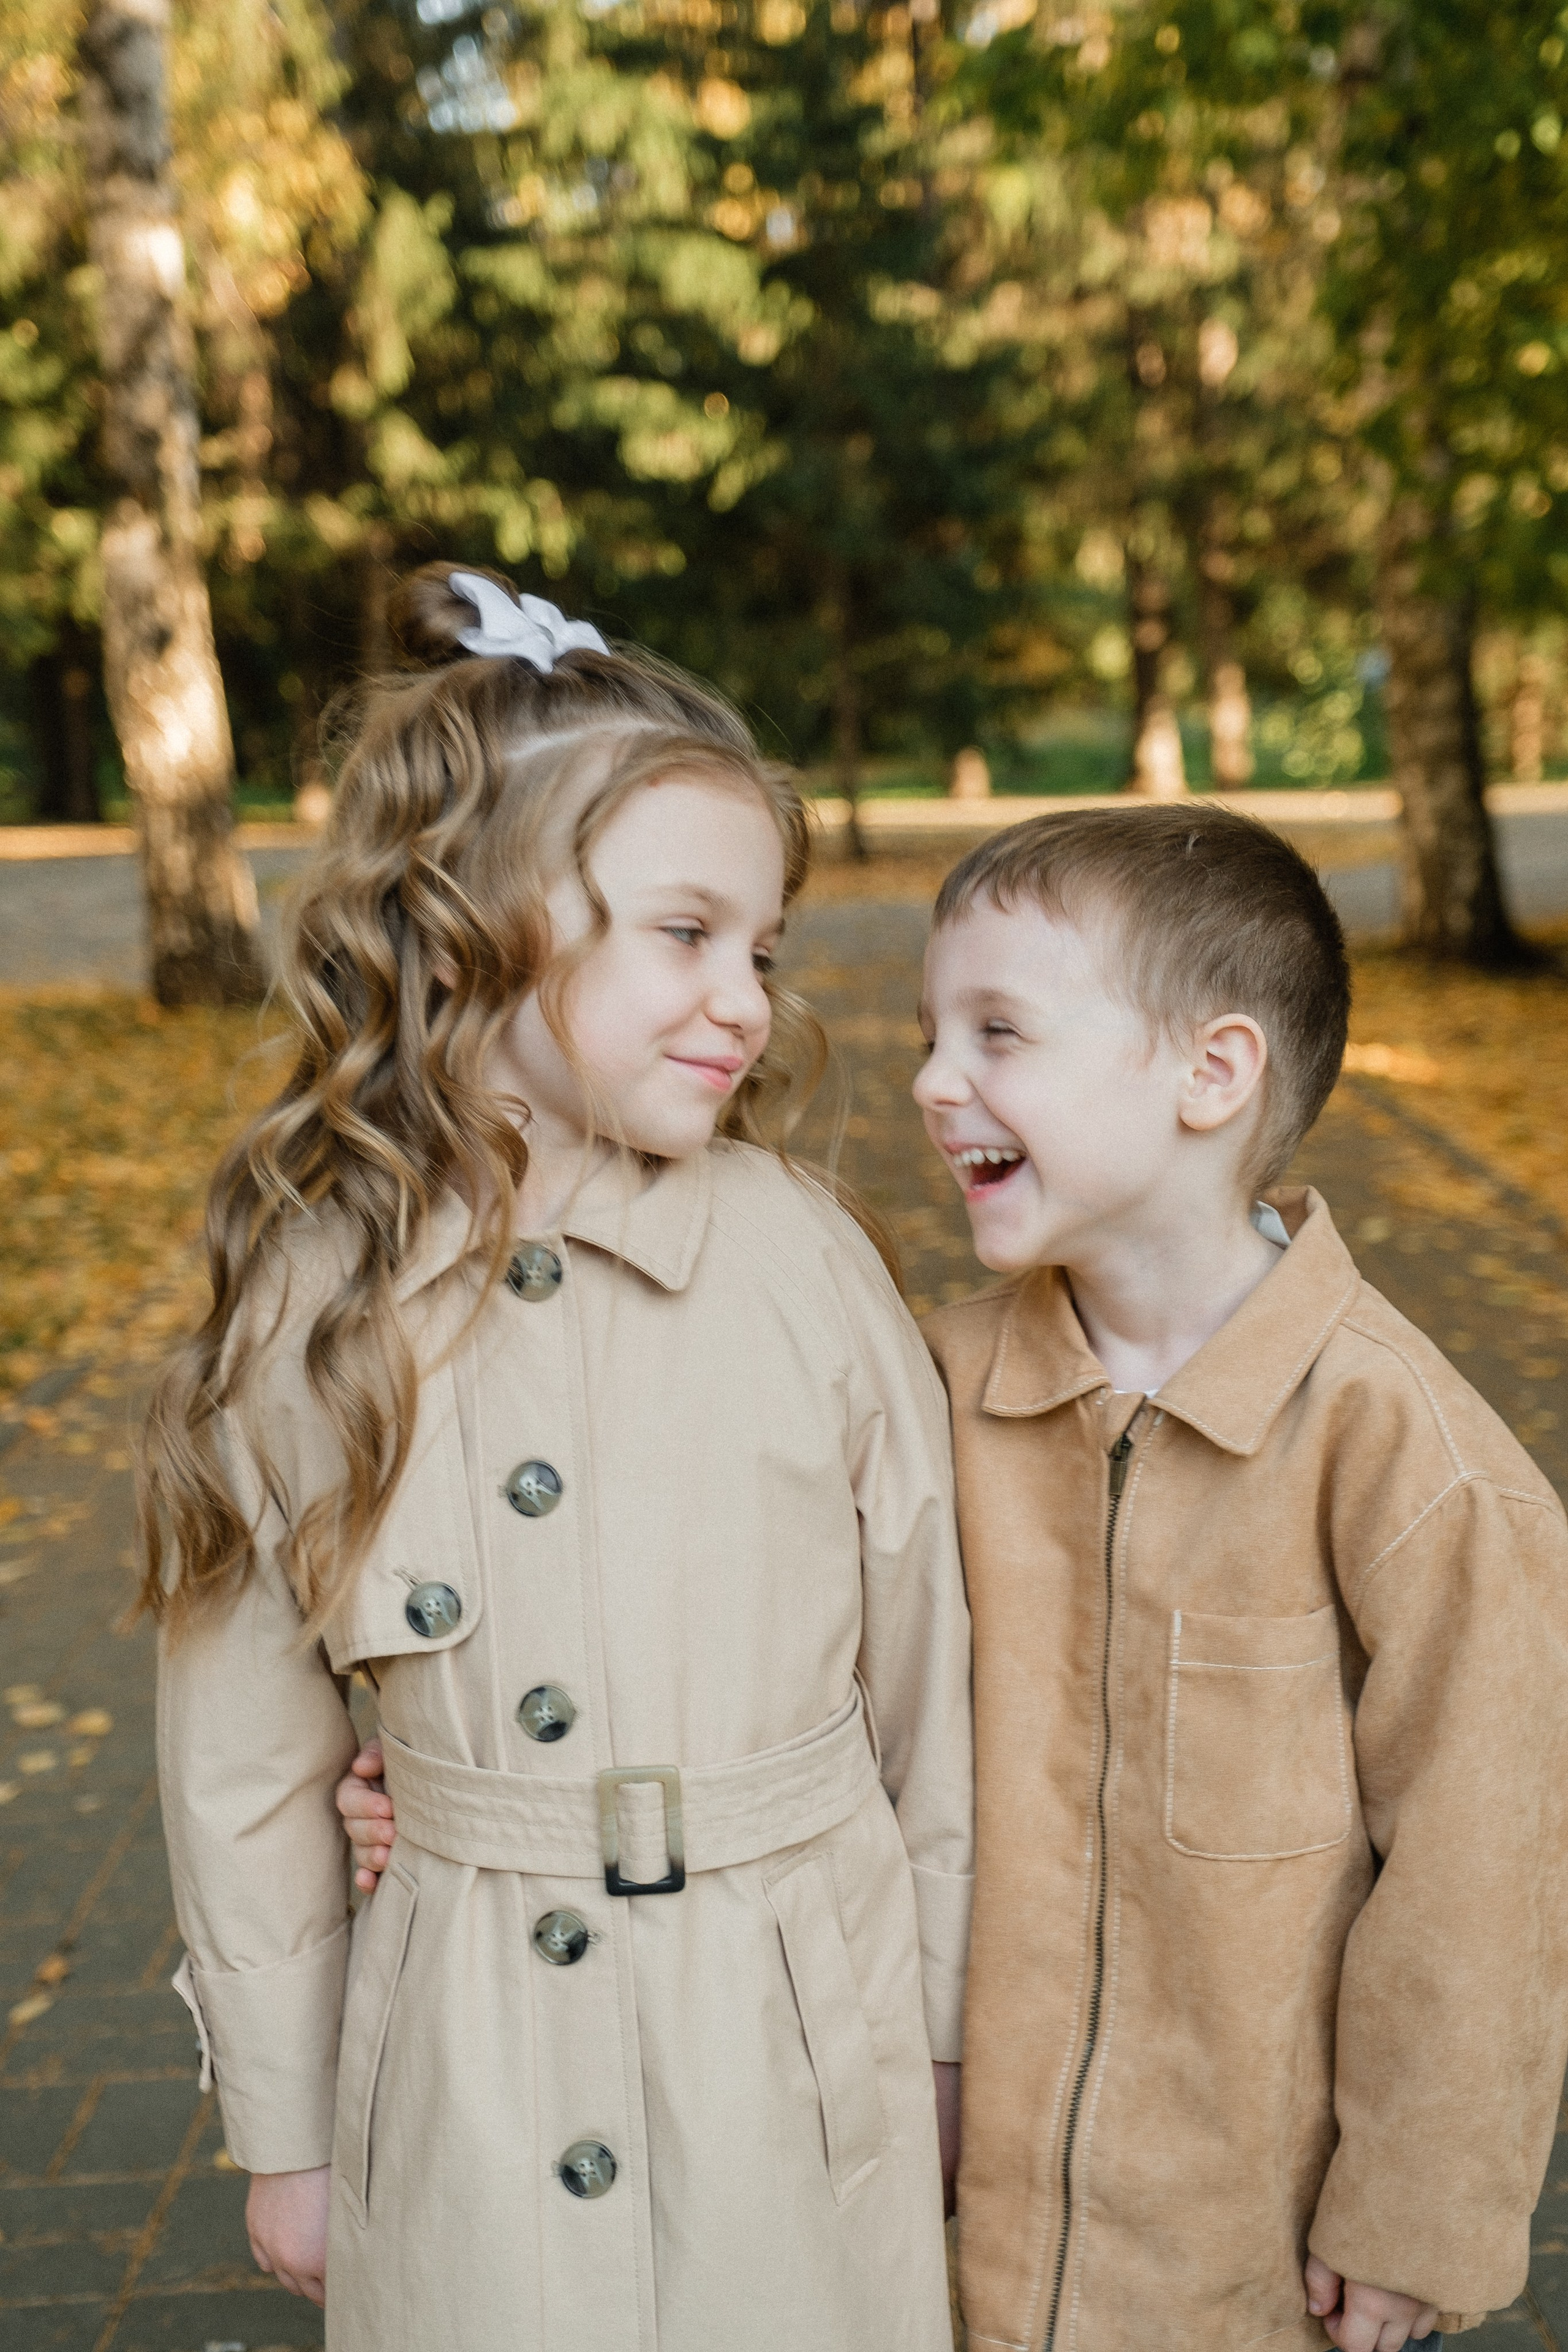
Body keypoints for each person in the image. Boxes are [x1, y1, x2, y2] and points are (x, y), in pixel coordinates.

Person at [143, 562, 973, 2351]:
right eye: (684, 933)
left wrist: (943, 2039)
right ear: (474, 922)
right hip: (462, 2072)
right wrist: (288, 2128)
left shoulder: (805, 1264)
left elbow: (934, 1691)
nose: (744, 999)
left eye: (761, 949)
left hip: (787, 2056)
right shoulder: (311, 1297)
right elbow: (243, 1752)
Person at [912, 806, 1568, 2352]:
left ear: (1211, 1075)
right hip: (927, 2229)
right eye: (930, 1032)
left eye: (996, 1031)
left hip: (1229, 2265)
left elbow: (1485, 1877)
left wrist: (1413, 2215)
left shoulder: (1407, 1460)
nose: (933, 1081)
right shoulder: (923, 1391)